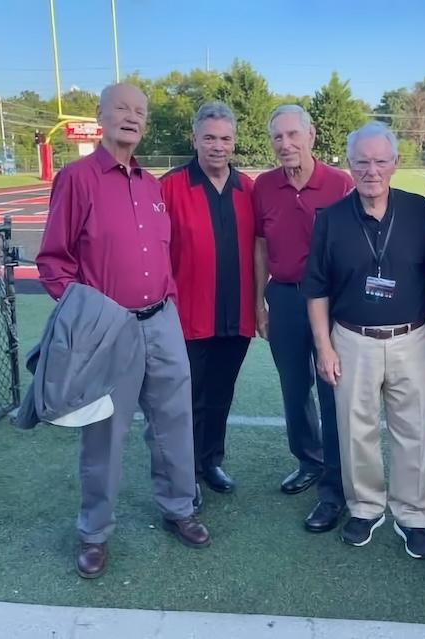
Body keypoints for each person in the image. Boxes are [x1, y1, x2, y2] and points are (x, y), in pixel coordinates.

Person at [37, 83, 210, 579]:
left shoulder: (151, 185)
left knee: (175, 421)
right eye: (122, 108)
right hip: (107, 330)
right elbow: (53, 261)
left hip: (161, 319)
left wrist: (168, 300)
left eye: (140, 111)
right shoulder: (77, 179)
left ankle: (179, 507)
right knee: (105, 435)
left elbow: (160, 255)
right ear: (101, 116)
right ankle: (94, 532)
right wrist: (86, 317)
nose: (132, 117)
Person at [302, 122, 425, 556]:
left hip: (411, 337)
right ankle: (365, 507)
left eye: (380, 161)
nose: (371, 170)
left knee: (413, 428)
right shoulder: (331, 219)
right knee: (355, 429)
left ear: (395, 163)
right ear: (349, 164)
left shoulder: (419, 210)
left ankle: (413, 514)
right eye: (361, 162)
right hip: (351, 339)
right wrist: (324, 346)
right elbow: (316, 288)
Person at [254, 105, 353, 533]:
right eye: (278, 137)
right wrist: (259, 304)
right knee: (294, 389)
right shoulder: (264, 186)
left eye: (293, 134)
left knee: (334, 391)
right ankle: (309, 460)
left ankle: (337, 482)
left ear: (311, 136)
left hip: (332, 303)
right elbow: (260, 246)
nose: (285, 144)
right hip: (285, 297)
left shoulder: (340, 183)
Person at [160, 102, 256, 506]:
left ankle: (211, 460)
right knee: (187, 400)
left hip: (237, 316)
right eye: (210, 138)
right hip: (188, 317)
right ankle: (186, 475)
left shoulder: (248, 188)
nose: (218, 146)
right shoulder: (170, 186)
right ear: (195, 139)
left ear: (234, 142)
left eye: (225, 138)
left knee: (220, 394)